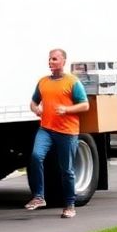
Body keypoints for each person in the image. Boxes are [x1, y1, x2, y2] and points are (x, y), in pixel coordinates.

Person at [26, 48, 89, 218]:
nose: (50, 62)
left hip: (67, 132)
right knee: (35, 156)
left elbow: (85, 105)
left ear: (63, 61)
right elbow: (33, 102)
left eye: (54, 59)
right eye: (49, 59)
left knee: (66, 170)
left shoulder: (72, 82)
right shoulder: (43, 82)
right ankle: (39, 197)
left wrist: (67, 110)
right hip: (46, 129)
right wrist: (36, 109)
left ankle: (69, 205)